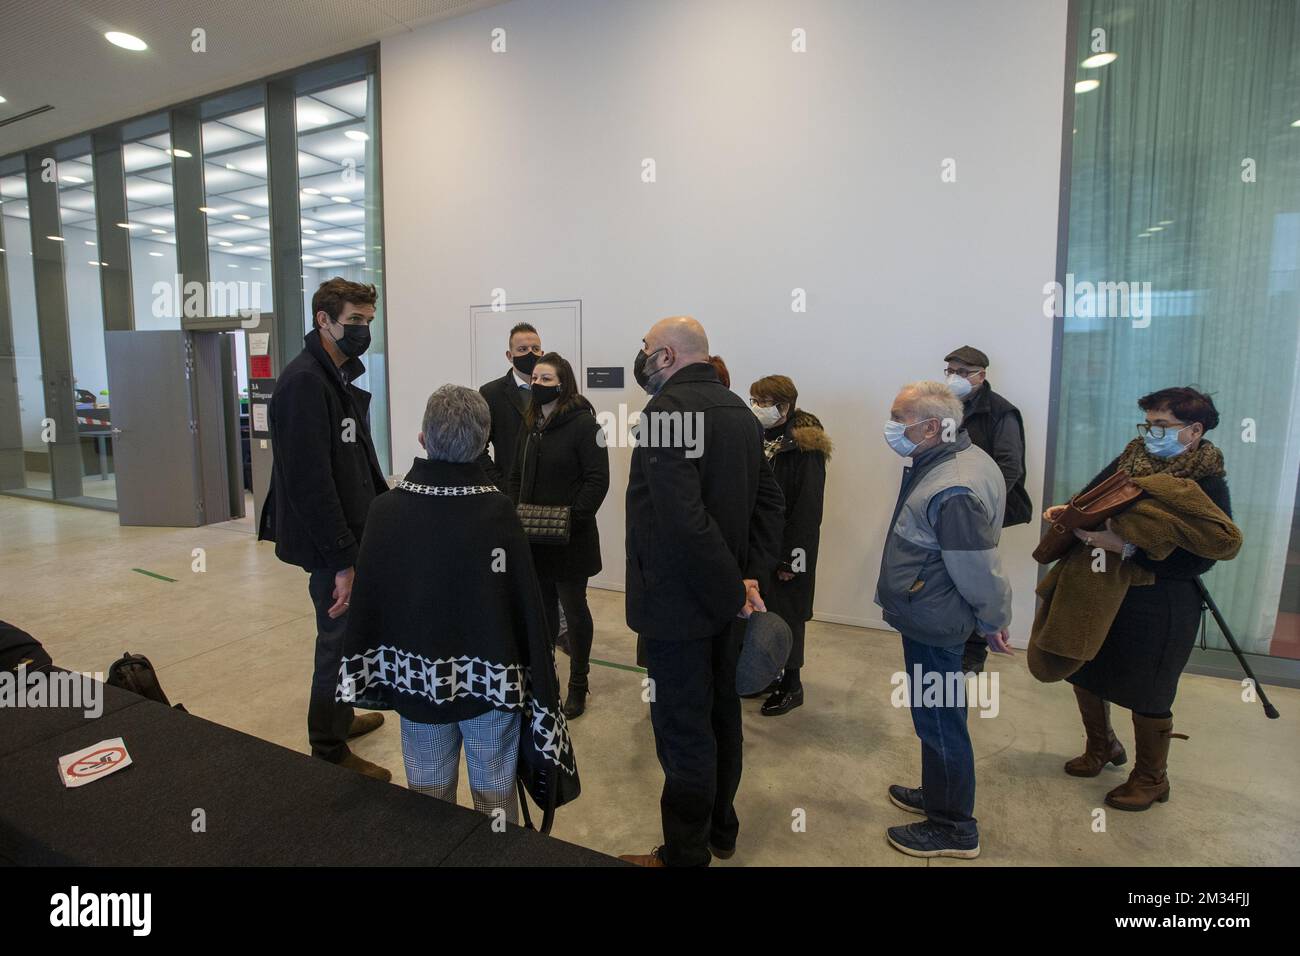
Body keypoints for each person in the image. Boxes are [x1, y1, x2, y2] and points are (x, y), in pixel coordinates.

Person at [336, 385, 576, 820]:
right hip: (490, 684)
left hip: (417, 684)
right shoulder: (498, 511)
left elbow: (375, 602)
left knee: (427, 794)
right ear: (485, 443)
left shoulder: (385, 511)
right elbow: (525, 605)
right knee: (495, 794)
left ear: (423, 438)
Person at [619, 316, 785, 868]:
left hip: (680, 605)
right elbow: (770, 502)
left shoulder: (665, 413)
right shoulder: (739, 410)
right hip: (725, 605)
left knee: (684, 729)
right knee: (722, 717)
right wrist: (748, 578)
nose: (641, 357)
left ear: (665, 356)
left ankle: (684, 854)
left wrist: (732, 586)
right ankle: (722, 829)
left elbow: (683, 520)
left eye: (645, 349)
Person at [1043, 387, 1234, 811]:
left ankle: (1151, 779)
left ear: (1194, 430)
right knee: (1085, 666)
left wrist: (1128, 548)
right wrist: (1070, 512)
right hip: (1105, 590)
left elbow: (1204, 555)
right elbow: (1090, 498)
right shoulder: (1132, 459)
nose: (1152, 433)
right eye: (1148, 423)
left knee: (1150, 690)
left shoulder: (1205, 482)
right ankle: (1102, 746)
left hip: (1162, 600)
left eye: (1162, 426)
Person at [258, 277, 391, 781]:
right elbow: (311, 484)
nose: (363, 331)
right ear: (324, 320)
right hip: (330, 545)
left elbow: (356, 461)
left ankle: (341, 717)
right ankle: (328, 748)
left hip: (353, 534)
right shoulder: (304, 383)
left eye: (369, 322)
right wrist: (341, 560)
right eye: (354, 321)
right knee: (335, 642)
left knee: (348, 638)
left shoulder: (334, 375)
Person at [875, 381, 1012, 859]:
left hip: (937, 618)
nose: (892, 427)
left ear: (932, 427)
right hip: (932, 612)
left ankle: (954, 827)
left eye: (899, 418)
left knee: (939, 721)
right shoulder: (958, 460)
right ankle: (939, 796)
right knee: (937, 716)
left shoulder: (953, 485)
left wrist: (993, 619)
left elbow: (976, 565)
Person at [507, 353, 610, 719]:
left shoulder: (585, 424)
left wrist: (570, 519)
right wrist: (516, 511)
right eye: (535, 377)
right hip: (534, 535)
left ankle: (578, 684)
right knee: (544, 609)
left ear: (563, 384)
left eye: (547, 379)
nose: (538, 384)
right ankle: (546, 678)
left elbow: (598, 480)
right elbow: (517, 474)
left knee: (574, 607)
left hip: (570, 538)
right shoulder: (530, 420)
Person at [943, 346, 1032, 674]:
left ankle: (974, 651)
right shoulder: (942, 407)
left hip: (979, 509)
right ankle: (950, 639)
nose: (956, 378)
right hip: (945, 505)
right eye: (950, 371)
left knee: (976, 575)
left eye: (963, 372)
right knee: (948, 575)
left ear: (982, 375)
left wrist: (983, 503)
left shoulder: (1001, 412)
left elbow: (1010, 466)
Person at [747, 374, 832, 716]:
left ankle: (792, 684)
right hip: (760, 543)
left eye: (764, 402)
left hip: (788, 547)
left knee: (789, 615)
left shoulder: (804, 444)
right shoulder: (760, 435)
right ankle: (768, 673)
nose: (758, 408)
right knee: (762, 613)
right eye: (754, 400)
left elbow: (808, 508)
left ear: (785, 405)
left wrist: (792, 561)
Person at [478, 322, 544, 489]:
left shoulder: (557, 390)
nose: (530, 354)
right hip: (508, 491)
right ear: (509, 355)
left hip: (549, 491)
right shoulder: (491, 393)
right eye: (522, 349)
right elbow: (478, 448)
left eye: (535, 349)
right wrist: (500, 485)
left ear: (542, 354)